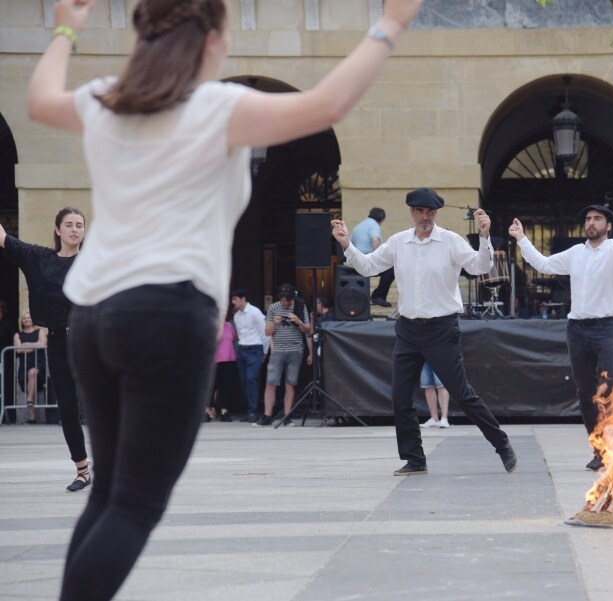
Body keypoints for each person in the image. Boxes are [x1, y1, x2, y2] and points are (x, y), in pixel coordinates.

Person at [27, 0, 423, 598]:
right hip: (166, 313)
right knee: (133, 505)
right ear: (212, 38)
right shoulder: (215, 108)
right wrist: (390, 23)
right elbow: (329, 104)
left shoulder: (110, 98)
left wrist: (64, 29)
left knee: (110, 491)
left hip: (94, 314)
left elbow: (39, 102)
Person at [332, 187, 517, 476]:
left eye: (430, 212)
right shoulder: (398, 242)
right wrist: (346, 245)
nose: (425, 217)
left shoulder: (450, 241)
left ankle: (501, 444)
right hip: (407, 329)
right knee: (400, 396)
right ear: (412, 212)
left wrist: (484, 236)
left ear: (435, 214)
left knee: (462, 393)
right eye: (420, 211)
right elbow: (368, 267)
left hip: (441, 329)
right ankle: (415, 459)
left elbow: (480, 265)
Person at [509, 187, 613, 471]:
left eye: (597, 219)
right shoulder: (574, 253)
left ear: (608, 226)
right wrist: (522, 239)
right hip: (577, 330)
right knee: (586, 394)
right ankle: (600, 451)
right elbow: (543, 264)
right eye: (588, 219)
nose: (591, 223)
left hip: (607, 327)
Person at [0, 209, 91, 491]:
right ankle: (83, 471)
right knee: (68, 407)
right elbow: (3, 238)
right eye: (69, 225)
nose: (75, 230)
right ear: (57, 229)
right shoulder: (41, 259)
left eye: (79, 225)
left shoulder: (94, 261)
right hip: (59, 341)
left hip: (91, 338)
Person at [259, 283, 313, 427]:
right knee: (270, 383)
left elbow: (308, 330)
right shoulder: (273, 308)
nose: (285, 303)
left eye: (288, 301)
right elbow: (267, 332)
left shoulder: (300, 306)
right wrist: (275, 324)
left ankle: (287, 415)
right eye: (283, 301)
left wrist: (298, 321)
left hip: (296, 349)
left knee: (290, 383)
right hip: (277, 350)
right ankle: (267, 415)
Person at [231, 289, 267, 422]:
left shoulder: (255, 312)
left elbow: (264, 332)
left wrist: (265, 351)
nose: (233, 302)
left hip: (255, 349)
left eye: (235, 299)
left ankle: (253, 411)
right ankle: (249, 410)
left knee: (251, 378)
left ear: (243, 299)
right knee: (244, 380)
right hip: (242, 349)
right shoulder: (236, 316)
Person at [350, 207, 395, 307]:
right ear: (381, 219)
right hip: (365, 261)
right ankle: (378, 296)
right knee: (391, 269)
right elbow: (375, 241)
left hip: (355, 262)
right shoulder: (374, 225)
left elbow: (350, 243)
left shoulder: (358, 226)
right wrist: (382, 257)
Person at [13, 310, 47, 424]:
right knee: (28, 380)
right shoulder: (18, 335)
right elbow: (18, 349)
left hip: (38, 363)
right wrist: (34, 345)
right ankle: (32, 418)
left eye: (29, 317)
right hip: (25, 364)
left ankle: (29, 400)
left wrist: (26, 345)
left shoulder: (40, 331)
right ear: (21, 321)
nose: (27, 319)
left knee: (32, 373)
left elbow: (42, 344)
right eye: (24, 318)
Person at [208, 303, 240, 422]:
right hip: (215, 360)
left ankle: (224, 410)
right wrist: (220, 324)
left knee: (226, 386)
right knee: (212, 386)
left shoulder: (229, 325)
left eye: (226, 312)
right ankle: (208, 410)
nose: (224, 314)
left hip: (228, 359)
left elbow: (234, 339)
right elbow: (215, 339)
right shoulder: (212, 324)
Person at [420, 362, 450, 428]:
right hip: (423, 356)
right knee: (427, 386)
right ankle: (434, 419)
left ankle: (444, 418)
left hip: (438, 354)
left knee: (441, 385)